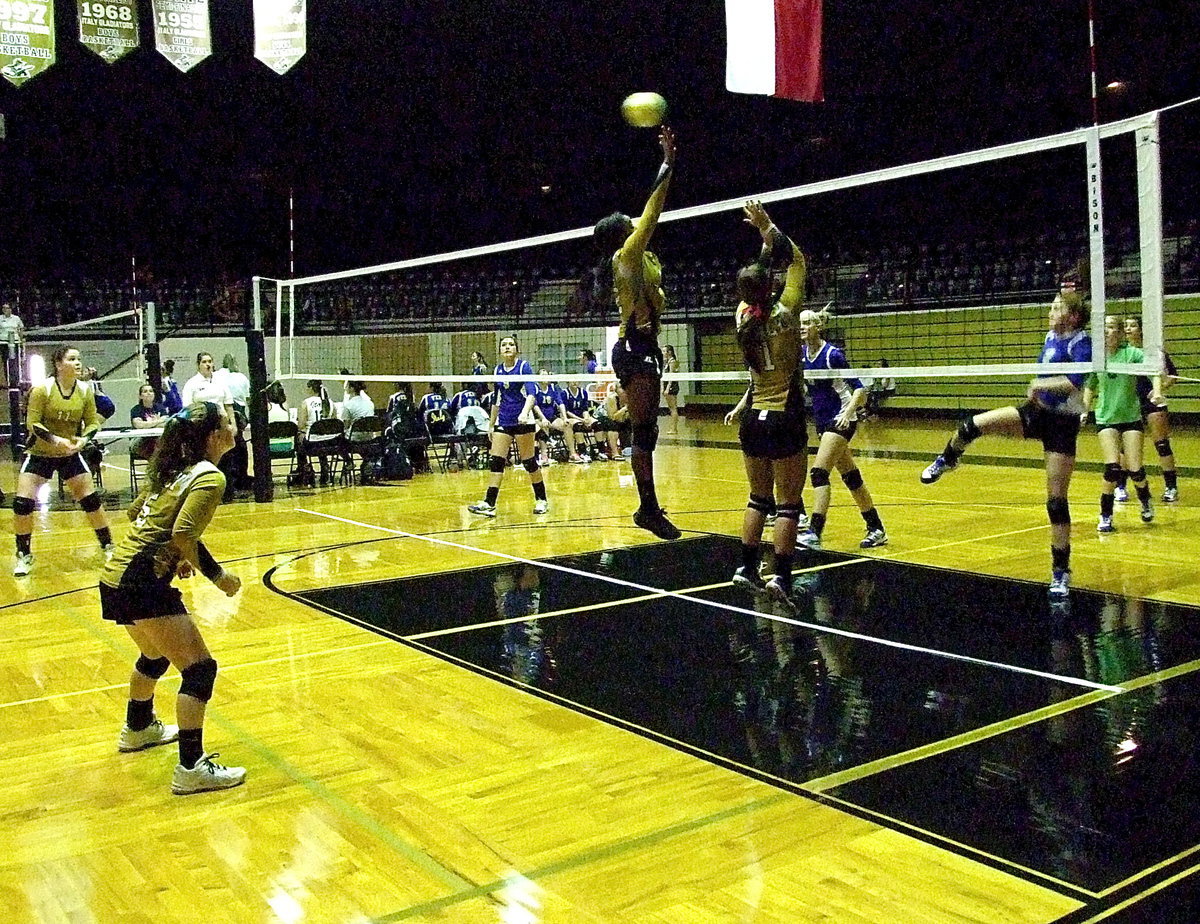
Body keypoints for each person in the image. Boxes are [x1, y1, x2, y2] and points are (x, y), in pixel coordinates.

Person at [99, 400, 246, 795]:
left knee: (155, 655)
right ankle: (191, 768)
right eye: (230, 422)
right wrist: (219, 577)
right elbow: (184, 534)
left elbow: (136, 514)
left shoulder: (172, 470)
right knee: (199, 670)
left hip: (115, 577)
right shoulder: (209, 476)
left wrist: (175, 553)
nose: (236, 426)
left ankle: (139, 727)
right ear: (215, 436)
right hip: (140, 583)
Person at [921, 289, 1091, 597]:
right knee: (973, 425)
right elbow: (1044, 381)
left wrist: (1039, 384)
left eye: (1056, 308)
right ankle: (948, 459)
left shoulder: (1082, 342)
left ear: (1073, 316)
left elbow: (1073, 382)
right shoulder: (1050, 339)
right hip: (1037, 413)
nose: (1050, 312)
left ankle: (1060, 571)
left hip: (1062, 425)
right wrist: (1038, 390)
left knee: (1056, 501)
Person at [577, 126, 679, 540]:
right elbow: (652, 211)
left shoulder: (639, 257)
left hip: (642, 345)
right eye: (628, 222)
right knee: (644, 431)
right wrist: (669, 163)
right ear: (621, 234)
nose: (635, 221)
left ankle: (647, 503)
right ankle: (647, 508)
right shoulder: (627, 254)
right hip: (635, 345)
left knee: (644, 429)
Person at [721, 201, 809, 610]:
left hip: (753, 421)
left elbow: (757, 282)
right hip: (783, 415)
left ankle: (746, 568)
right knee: (789, 503)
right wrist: (767, 226)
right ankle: (783, 578)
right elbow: (797, 262)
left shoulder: (742, 315)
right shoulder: (788, 313)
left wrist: (762, 243)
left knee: (758, 498)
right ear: (770, 289)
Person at [13, 344, 114, 576]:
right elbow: (33, 424)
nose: (78, 363)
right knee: (22, 504)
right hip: (41, 453)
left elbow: (92, 422)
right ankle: (23, 555)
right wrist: (57, 440)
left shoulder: (85, 390)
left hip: (70, 454)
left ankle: (108, 546)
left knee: (90, 500)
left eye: (79, 359)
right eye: (72, 359)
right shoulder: (43, 390)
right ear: (59, 365)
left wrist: (84, 440)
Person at [795, 306, 888, 551]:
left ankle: (815, 531)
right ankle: (876, 528)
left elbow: (859, 389)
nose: (802, 327)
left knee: (818, 473)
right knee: (851, 477)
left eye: (807, 323)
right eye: (800, 323)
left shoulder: (833, 354)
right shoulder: (801, 354)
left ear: (819, 326)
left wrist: (848, 414)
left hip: (841, 420)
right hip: (822, 422)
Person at [1081, 316, 1158, 532]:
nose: (1107, 331)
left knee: (1135, 469)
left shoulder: (1131, 354)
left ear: (1120, 333)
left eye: (1112, 327)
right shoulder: (1098, 358)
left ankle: (1145, 501)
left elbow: (1154, 366)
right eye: (1104, 327)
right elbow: (1090, 386)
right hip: (1106, 418)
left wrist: (1158, 389)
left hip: (1130, 418)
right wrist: (1084, 410)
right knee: (1112, 467)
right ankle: (1105, 515)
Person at [467, 336, 549, 517]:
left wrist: (525, 412)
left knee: (529, 462)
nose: (507, 347)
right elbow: (496, 400)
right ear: (499, 350)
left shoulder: (523, 367)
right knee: (496, 461)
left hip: (522, 421)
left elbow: (531, 394)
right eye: (503, 345)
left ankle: (541, 500)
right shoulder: (497, 369)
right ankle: (489, 503)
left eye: (511, 344)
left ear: (517, 349)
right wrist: (491, 425)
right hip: (504, 420)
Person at [1116, 316, 1179, 503]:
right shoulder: (1121, 352)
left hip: (1152, 402)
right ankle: (1120, 486)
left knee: (1161, 444)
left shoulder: (1153, 351)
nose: (1128, 329)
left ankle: (1171, 487)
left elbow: (1172, 375)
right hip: (1130, 402)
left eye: (1133, 325)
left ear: (1141, 329)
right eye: (1125, 326)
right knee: (1125, 448)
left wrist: (1158, 390)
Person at [295, 379, 338, 486]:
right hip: (329, 442)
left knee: (299, 438)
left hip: (312, 443)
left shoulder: (306, 403)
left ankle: (305, 470)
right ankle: (325, 467)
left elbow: (301, 425)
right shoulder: (331, 403)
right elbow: (334, 423)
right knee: (321, 437)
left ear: (310, 388)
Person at [131, 383, 168, 460]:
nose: (148, 393)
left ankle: (156, 466)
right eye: (145, 391)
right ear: (140, 396)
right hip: (140, 440)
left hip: (157, 438)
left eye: (151, 391)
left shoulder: (160, 408)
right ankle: (156, 466)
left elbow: (165, 423)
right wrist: (158, 421)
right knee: (154, 445)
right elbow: (139, 425)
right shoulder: (136, 409)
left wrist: (148, 424)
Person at [0, 302, 25, 384]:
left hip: (14, 343)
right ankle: (8, 379)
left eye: (6, 308)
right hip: (3, 343)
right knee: (5, 361)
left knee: (14, 361)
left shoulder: (16, 318)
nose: (5, 310)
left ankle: (16, 379)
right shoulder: (0, 318)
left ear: (10, 309)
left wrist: (21, 340)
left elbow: (21, 328)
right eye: (3, 308)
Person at [661, 344, 682, 433]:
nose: (663, 353)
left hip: (672, 386)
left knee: (673, 408)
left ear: (669, 352)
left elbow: (671, 376)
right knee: (670, 408)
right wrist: (662, 387)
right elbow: (663, 376)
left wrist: (667, 388)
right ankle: (673, 428)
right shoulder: (665, 362)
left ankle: (674, 428)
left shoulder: (672, 362)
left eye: (664, 351)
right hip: (667, 386)